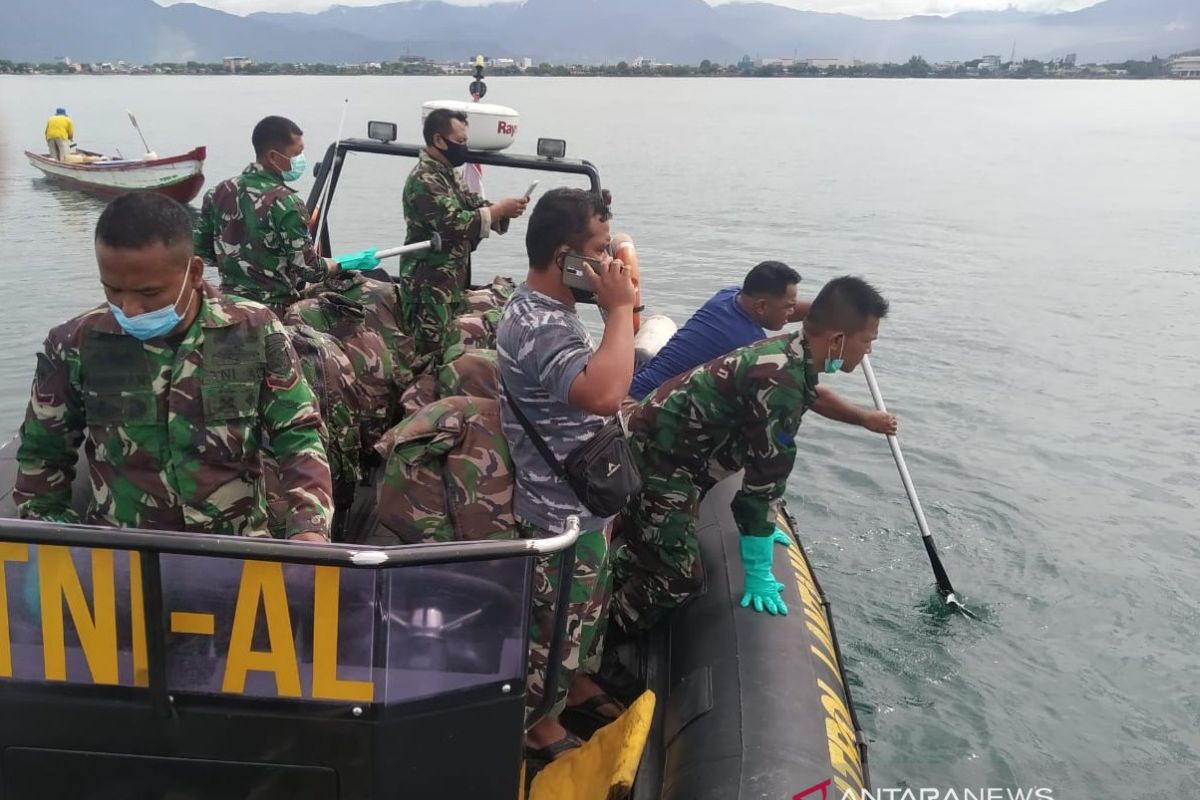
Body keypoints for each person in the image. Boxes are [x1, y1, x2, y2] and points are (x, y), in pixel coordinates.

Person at [15, 192, 333, 543]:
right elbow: (43, 457)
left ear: (194, 272)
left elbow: (298, 433)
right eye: (113, 290)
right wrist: (55, 546)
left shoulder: (254, 329)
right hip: (120, 560)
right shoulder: (73, 344)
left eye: (149, 294)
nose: (130, 308)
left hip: (237, 552)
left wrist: (309, 527)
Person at [611, 276, 896, 633]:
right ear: (838, 340)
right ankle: (595, 647)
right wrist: (758, 565)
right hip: (657, 463)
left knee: (651, 552)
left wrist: (865, 418)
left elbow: (814, 394)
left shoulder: (789, 351)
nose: (868, 351)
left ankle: (615, 579)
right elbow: (762, 486)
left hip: (663, 451)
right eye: (866, 341)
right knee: (678, 579)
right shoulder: (781, 386)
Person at [496, 188, 636, 761]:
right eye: (598, 253)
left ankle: (573, 684)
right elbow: (604, 393)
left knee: (584, 615)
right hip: (558, 514)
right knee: (555, 626)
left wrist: (618, 291)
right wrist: (620, 310)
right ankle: (536, 723)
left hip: (584, 502)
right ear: (565, 260)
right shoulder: (540, 326)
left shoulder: (555, 312)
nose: (608, 265)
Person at [399, 108, 529, 359]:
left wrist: (503, 211)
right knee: (427, 353)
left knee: (447, 346)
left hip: (449, 283)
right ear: (438, 140)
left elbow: (472, 204)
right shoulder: (424, 179)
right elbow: (452, 223)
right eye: (460, 142)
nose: (464, 148)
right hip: (428, 287)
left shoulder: (448, 174)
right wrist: (497, 210)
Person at [195, 115, 339, 318]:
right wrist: (336, 264)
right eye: (297, 153)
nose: (301, 159)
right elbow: (309, 270)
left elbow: (202, 251)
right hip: (272, 314)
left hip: (227, 309)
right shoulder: (286, 203)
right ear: (273, 157)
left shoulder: (217, 192)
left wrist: (239, 267)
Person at [630, 260, 809, 399]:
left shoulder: (729, 295)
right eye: (788, 307)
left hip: (637, 383)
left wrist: (825, 312)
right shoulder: (750, 346)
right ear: (761, 306)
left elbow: (773, 308)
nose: (791, 312)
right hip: (644, 403)